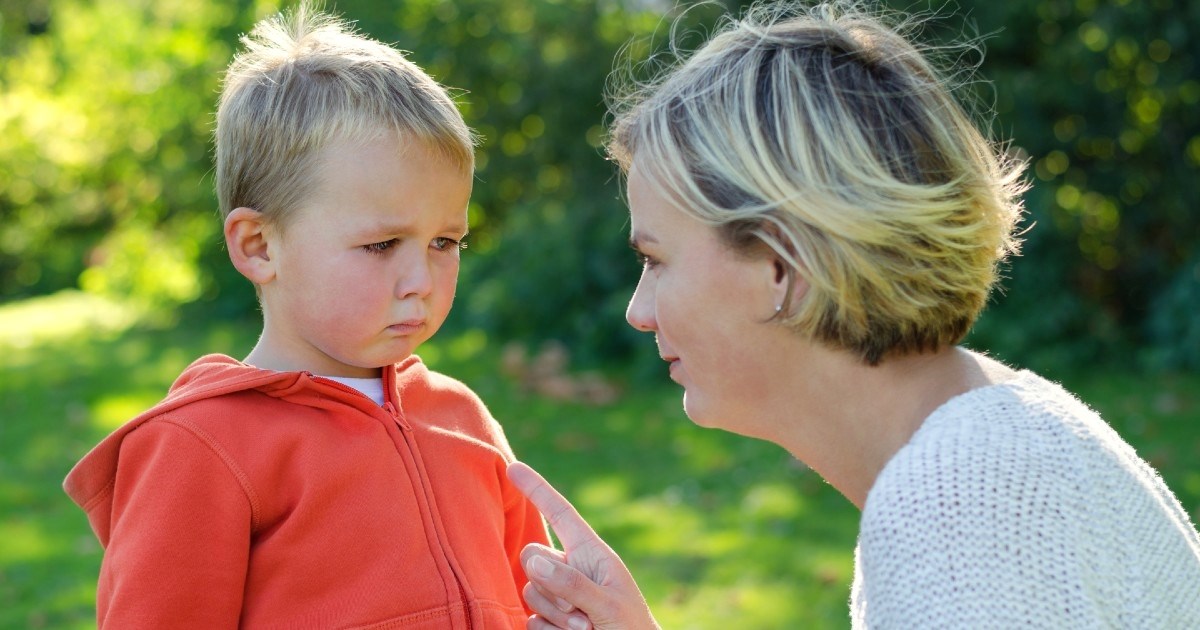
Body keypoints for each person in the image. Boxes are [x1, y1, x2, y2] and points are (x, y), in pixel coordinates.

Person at [506, 1, 1200, 628]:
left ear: (782, 266)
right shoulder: (1005, 436)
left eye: (656, 259)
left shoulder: (957, 517)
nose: (638, 311)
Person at [62, 4, 549, 628]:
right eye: (381, 245)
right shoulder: (201, 447)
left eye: (445, 242)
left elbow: (536, 605)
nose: (422, 281)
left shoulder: (462, 418)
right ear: (260, 246)